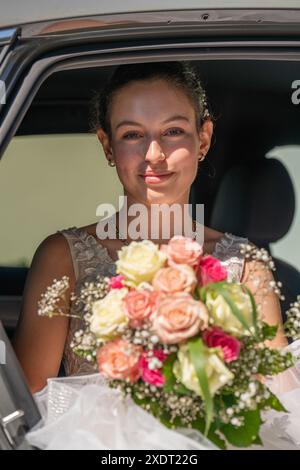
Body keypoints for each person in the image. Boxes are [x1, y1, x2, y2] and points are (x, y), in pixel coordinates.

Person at [12, 61, 287, 394]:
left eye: (173, 132)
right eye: (132, 135)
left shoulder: (246, 266)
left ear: (203, 139)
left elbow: (276, 398)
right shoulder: (63, 256)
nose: (154, 154)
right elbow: (30, 402)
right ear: (107, 145)